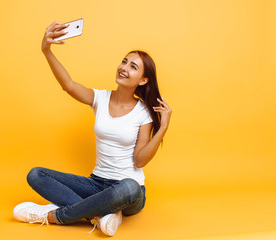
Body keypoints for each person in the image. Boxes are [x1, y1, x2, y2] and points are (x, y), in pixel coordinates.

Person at [13, 21, 172, 236]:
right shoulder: (100, 98)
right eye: (124, 62)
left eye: (133, 67)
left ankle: (55, 216)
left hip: (128, 192)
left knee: (129, 187)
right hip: (96, 183)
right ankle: (99, 216)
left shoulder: (143, 112)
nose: (124, 67)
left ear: (143, 80)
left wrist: (162, 129)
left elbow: (139, 161)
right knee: (36, 174)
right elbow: (68, 85)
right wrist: (46, 50)